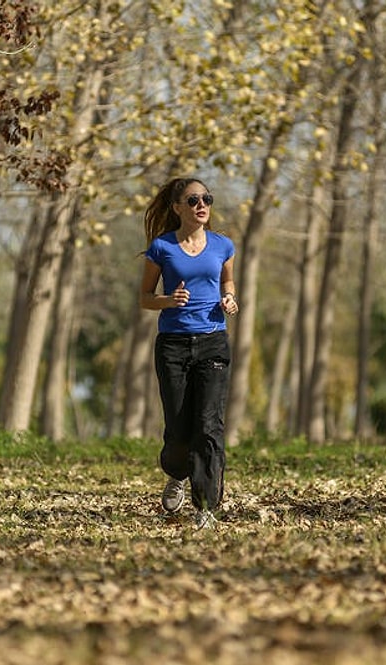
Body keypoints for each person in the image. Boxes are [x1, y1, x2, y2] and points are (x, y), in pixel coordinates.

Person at [139, 176, 239, 529]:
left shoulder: (223, 246)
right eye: (193, 199)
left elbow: (226, 281)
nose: (202, 205)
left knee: (209, 426)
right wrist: (169, 300)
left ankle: (205, 508)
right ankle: (177, 474)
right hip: (174, 346)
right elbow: (145, 297)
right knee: (179, 429)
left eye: (207, 199)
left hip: (213, 340)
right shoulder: (162, 248)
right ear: (177, 207)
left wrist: (229, 297)